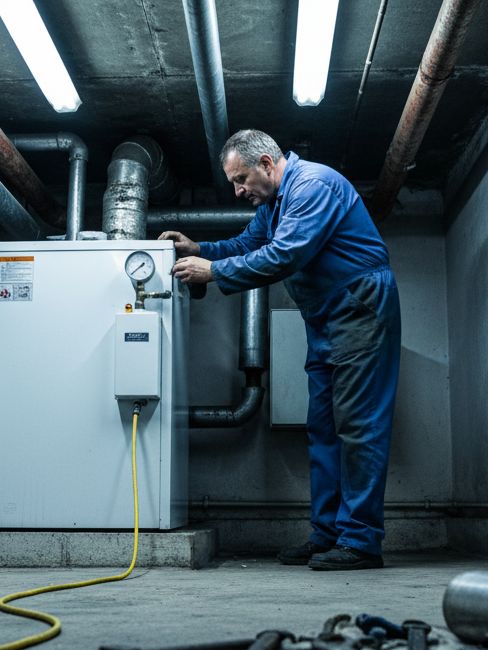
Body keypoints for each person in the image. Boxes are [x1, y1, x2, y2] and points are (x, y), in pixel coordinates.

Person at [160, 129, 401, 571]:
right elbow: (250, 244)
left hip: (359, 307)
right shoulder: (273, 204)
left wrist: (212, 271)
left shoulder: (313, 187)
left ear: (268, 164)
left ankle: (362, 541)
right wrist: (201, 249)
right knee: (324, 429)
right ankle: (328, 536)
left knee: (359, 426)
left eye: (241, 179)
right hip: (327, 316)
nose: (238, 191)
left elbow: (284, 256)